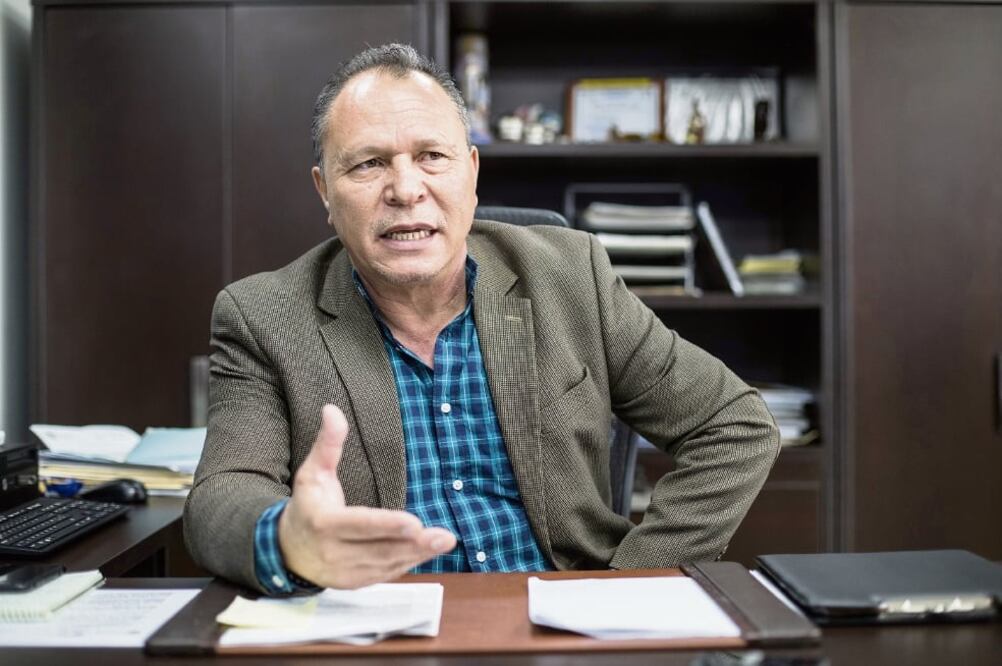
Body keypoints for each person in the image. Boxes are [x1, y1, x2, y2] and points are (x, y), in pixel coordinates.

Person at [184, 44, 779, 594]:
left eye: (431, 157)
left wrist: (627, 586)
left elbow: (733, 425)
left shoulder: (570, 275)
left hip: (561, 627)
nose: (405, 189)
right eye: (368, 164)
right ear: (325, 192)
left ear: (471, 172)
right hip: (382, 628)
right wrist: (290, 536)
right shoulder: (264, 315)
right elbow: (220, 498)